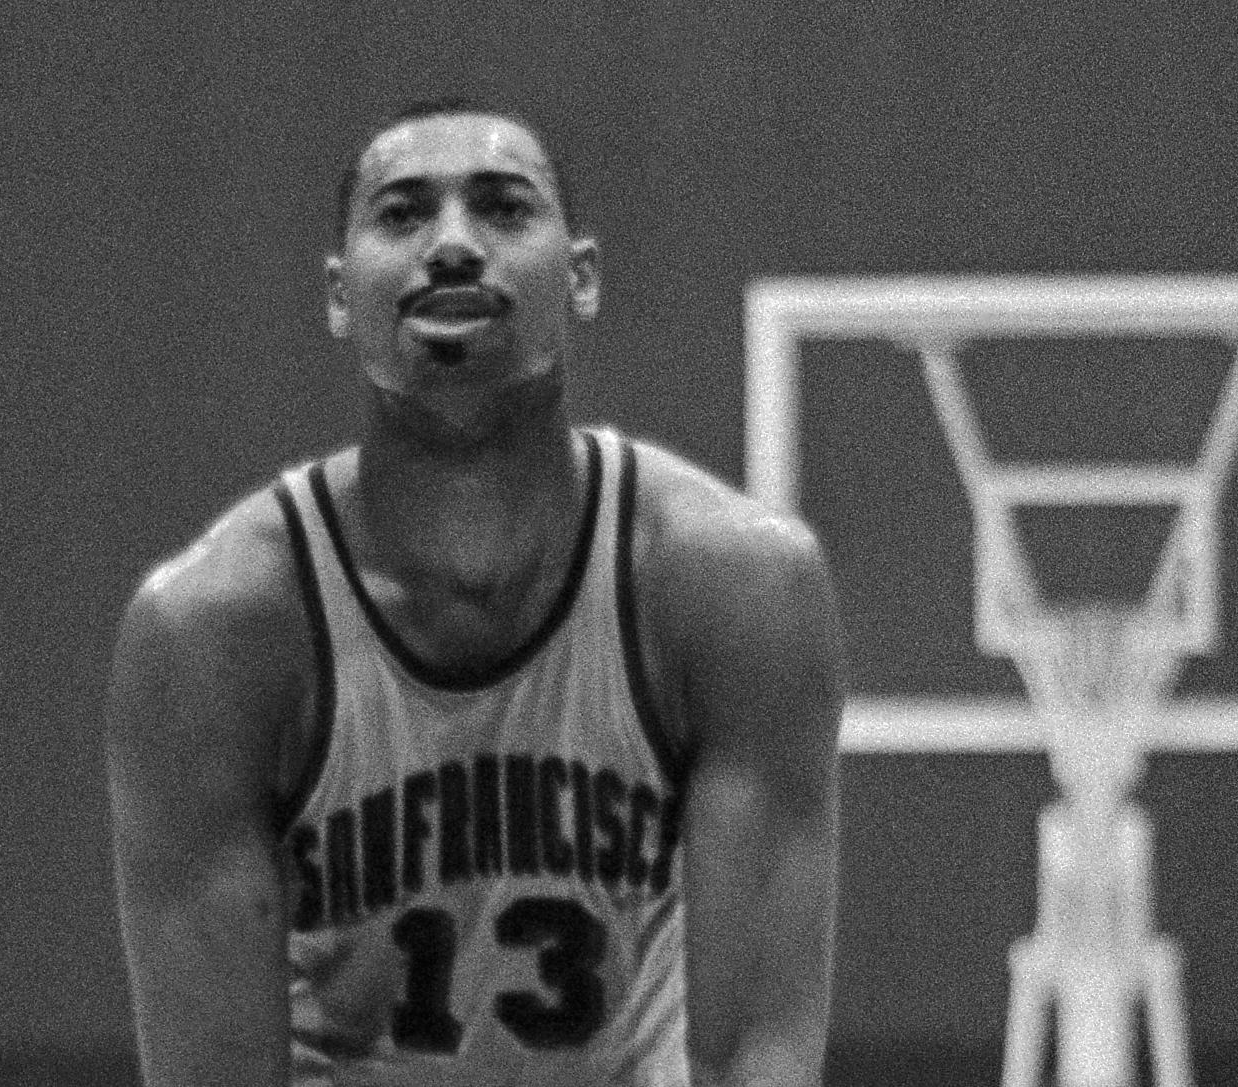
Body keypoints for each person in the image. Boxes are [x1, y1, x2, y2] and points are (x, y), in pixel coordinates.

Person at [104, 97, 844, 1087]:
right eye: (402, 214)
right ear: (336, 293)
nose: (451, 245)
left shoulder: (733, 587)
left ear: (579, 276)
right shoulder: (211, 633)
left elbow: (756, 1056)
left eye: (500, 208)